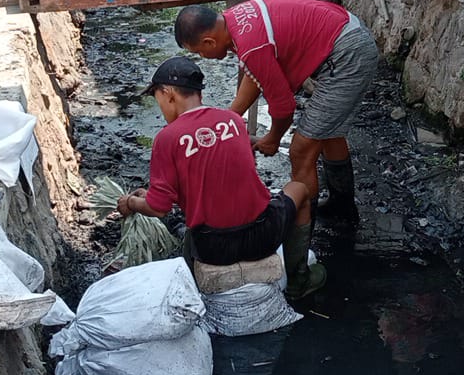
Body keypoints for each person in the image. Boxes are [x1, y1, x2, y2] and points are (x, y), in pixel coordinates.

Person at [174, 0, 380, 292]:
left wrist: (271, 139)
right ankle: (342, 207)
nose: (205, 58)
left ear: (208, 41)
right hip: (345, 34)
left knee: (301, 148)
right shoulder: (236, 22)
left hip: (347, 55)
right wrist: (230, 119)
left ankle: (300, 260)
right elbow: (254, 74)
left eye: (199, 53)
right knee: (328, 131)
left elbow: (283, 107)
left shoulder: (252, 46)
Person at [117, 57, 323, 295]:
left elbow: (158, 208)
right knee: (300, 189)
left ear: (168, 93)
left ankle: (192, 285)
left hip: (212, 249)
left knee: (195, 225)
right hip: (261, 237)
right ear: (199, 94)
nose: (160, 107)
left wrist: (131, 203)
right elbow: (234, 175)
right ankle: (300, 281)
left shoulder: (167, 138)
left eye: (158, 98)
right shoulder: (233, 121)